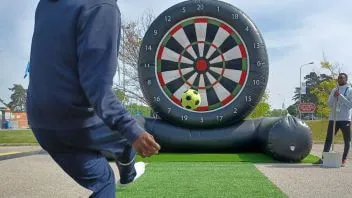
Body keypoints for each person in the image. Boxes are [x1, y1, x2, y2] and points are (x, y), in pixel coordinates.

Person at [26, 0, 161, 197]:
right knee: (131, 132)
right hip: (77, 122)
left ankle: (126, 176)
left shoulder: (45, 4)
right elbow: (97, 89)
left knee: (104, 181)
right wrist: (132, 131)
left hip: (41, 124)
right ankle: (128, 175)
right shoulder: (100, 7)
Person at [314, 73, 352, 167]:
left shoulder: (350, 90)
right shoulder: (334, 89)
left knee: (347, 141)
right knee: (329, 139)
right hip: (333, 118)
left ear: (346, 79)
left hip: (345, 119)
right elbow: (330, 104)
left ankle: (343, 160)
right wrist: (334, 96)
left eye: (342, 78)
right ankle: (324, 159)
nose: (339, 79)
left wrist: (340, 96)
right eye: (338, 78)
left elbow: (349, 105)